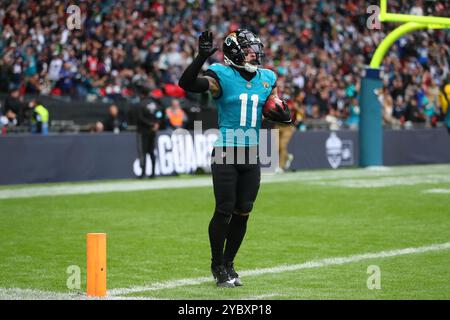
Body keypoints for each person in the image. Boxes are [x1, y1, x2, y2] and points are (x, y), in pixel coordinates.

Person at [179, 30, 292, 287]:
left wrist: (282, 113)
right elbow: (186, 84)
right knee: (224, 209)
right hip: (227, 150)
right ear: (234, 52)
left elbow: (274, 105)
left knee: (244, 211)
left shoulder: (267, 77)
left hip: (252, 151)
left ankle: (229, 263)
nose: (255, 53)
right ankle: (217, 265)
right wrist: (200, 58)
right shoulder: (222, 75)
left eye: (255, 48)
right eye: (249, 49)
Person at [136, 98, 162, 179]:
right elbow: (159, 113)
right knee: (151, 152)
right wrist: (156, 123)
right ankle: (153, 173)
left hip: (144, 131)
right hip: (153, 131)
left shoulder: (141, 104)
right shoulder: (155, 103)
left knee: (143, 152)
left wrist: (150, 124)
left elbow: (140, 118)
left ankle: (143, 173)